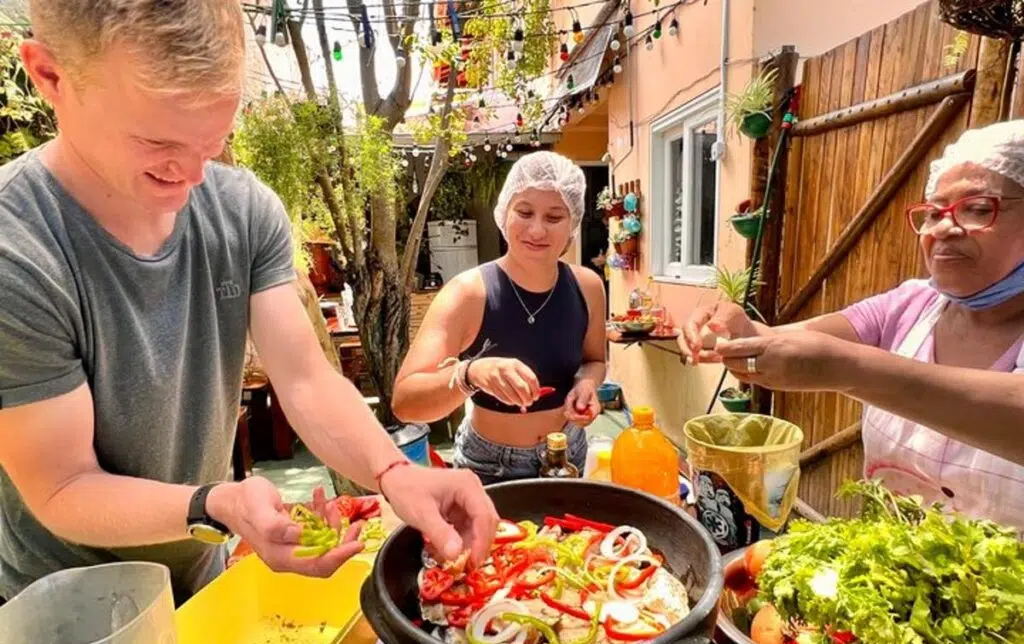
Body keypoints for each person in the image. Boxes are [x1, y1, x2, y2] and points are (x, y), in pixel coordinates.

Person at [0, 0, 497, 604]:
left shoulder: (241, 209)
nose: (194, 177)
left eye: (213, 143)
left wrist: (395, 472)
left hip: (198, 579)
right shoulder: (17, 249)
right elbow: (61, 487)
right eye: (157, 142)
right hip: (67, 610)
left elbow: (306, 381)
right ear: (49, 76)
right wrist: (217, 503)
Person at [679, 120, 1024, 530]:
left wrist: (846, 369)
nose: (944, 228)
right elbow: (778, 341)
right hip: (886, 579)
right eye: (933, 213)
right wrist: (737, 328)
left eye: (978, 208)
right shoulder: (911, 305)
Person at [392, 151, 607, 483]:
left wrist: (587, 384)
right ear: (504, 213)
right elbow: (406, 402)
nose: (536, 229)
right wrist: (471, 372)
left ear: (573, 225)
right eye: (524, 212)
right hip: (489, 466)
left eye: (554, 217)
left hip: (568, 453)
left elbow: (595, 360)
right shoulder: (468, 293)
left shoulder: (588, 287)